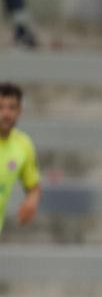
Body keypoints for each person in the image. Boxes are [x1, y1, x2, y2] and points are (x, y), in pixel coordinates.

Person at [0, 82, 40, 234]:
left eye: (11, 107)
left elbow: (33, 187)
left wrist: (31, 201)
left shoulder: (23, 145)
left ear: (20, 111)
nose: (6, 113)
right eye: (1, 107)